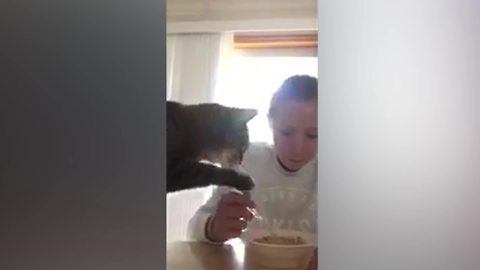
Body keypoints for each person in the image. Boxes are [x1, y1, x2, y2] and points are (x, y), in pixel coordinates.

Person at [187, 74, 318, 268]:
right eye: (286, 132)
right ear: (270, 122)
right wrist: (215, 227)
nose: (297, 148)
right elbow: (193, 229)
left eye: (313, 135)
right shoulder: (246, 161)